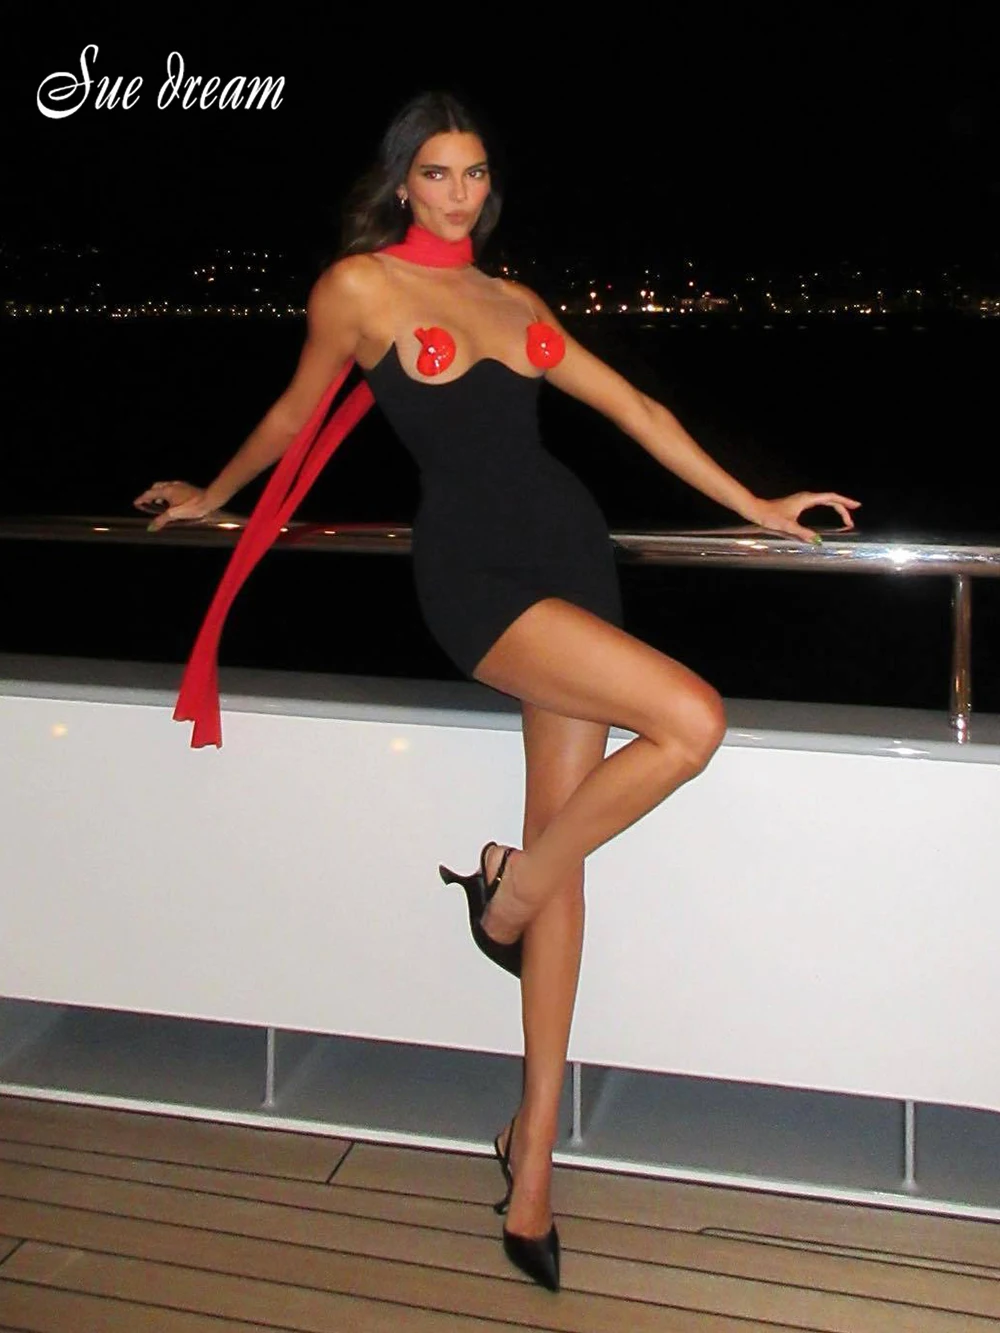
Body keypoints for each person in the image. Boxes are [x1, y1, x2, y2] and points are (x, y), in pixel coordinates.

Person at [135, 89, 860, 1293]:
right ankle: (505, 896)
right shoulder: (360, 287)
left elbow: (637, 409)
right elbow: (291, 411)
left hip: (569, 557)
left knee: (563, 850)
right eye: (437, 174)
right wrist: (213, 491)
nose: (459, 193)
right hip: (473, 577)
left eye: (474, 173)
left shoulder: (516, 303)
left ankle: (532, 1159)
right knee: (691, 721)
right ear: (401, 182)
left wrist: (758, 505)